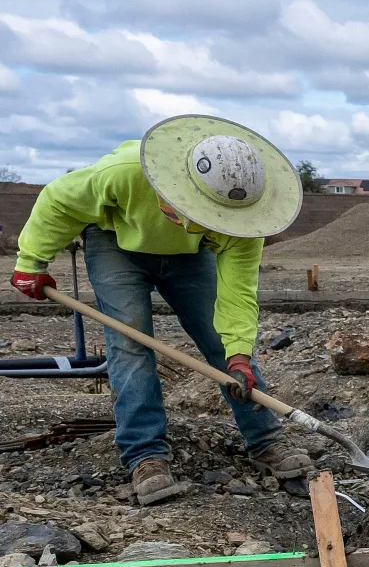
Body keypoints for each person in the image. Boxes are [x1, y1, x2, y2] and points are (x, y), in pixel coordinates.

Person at [10, 117, 310, 505]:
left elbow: (237, 294)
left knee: (224, 347)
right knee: (130, 344)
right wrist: (31, 262)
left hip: (191, 254)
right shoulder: (123, 173)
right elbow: (58, 200)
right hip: (116, 242)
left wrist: (238, 354)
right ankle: (145, 455)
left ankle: (267, 441)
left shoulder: (243, 221)